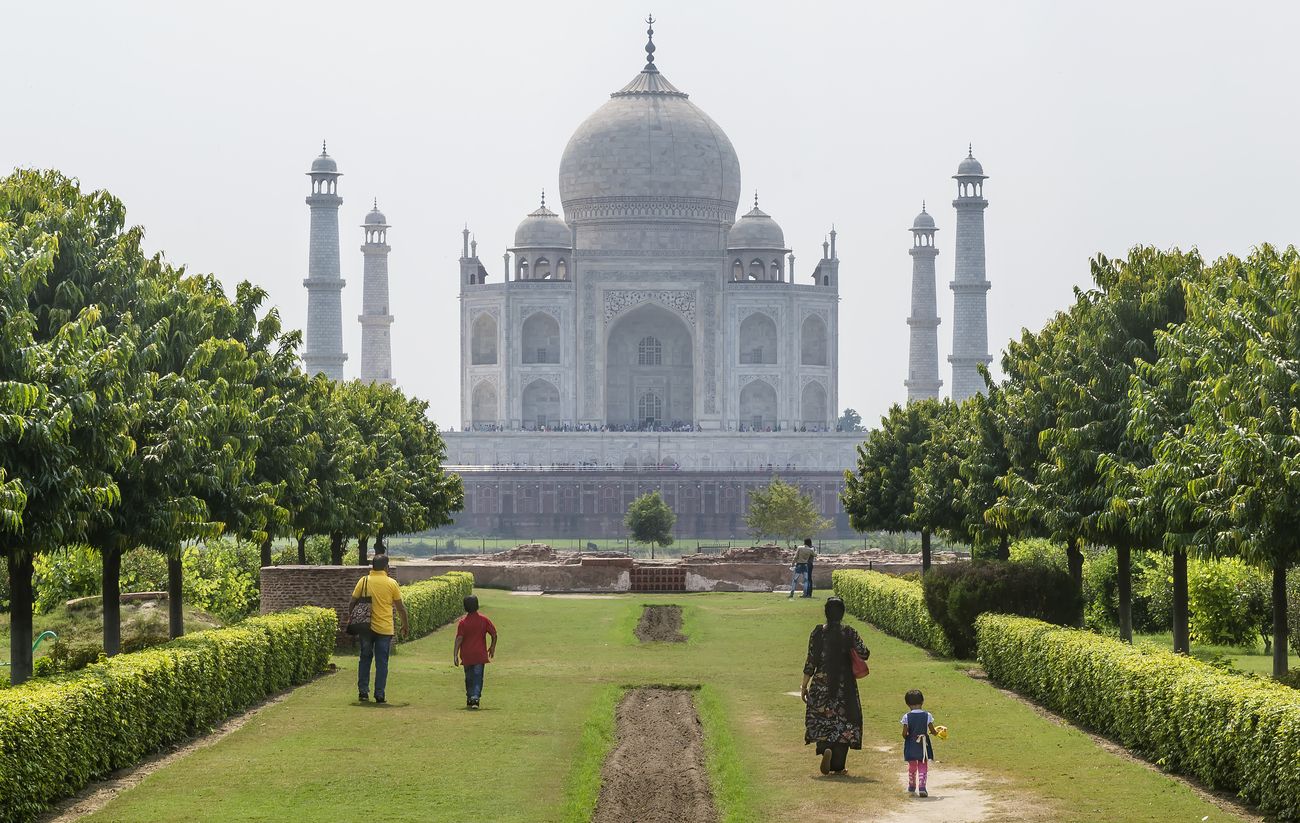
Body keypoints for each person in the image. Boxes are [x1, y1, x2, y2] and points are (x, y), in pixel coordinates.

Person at [801, 596, 870, 775]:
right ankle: (838, 766)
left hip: (821, 684)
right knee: (845, 722)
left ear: (826, 613)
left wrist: (803, 686)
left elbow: (811, 661)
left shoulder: (817, 632)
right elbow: (864, 653)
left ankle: (825, 749)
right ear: (842, 613)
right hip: (844, 686)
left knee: (822, 719)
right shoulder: (849, 632)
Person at [346, 554, 408, 704]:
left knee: (365, 659)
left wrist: (352, 618)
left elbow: (352, 603)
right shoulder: (391, 583)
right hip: (384, 629)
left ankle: (363, 692)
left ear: (372, 566)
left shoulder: (364, 581)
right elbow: (400, 608)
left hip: (365, 627)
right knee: (382, 663)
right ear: (386, 567)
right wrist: (405, 624)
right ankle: (379, 694)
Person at [453, 595, 497, 709]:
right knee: (478, 677)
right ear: (477, 605)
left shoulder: (463, 622)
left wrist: (455, 654)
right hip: (479, 655)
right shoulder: (484, 620)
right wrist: (492, 647)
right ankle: (475, 697)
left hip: (467, 655)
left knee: (469, 677)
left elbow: (459, 639)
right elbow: (494, 634)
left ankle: (470, 697)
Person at [901, 689, 938, 797]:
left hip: (911, 743)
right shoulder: (927, 715)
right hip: (923, 744)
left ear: (907, 703)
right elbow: (932, 730)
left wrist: (907, 737)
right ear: (922, 701)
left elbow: (904, 733)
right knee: (923, 763)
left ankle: (912, 786)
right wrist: (937, 733)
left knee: (912, 764)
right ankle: (922, 787)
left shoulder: (907, 716)